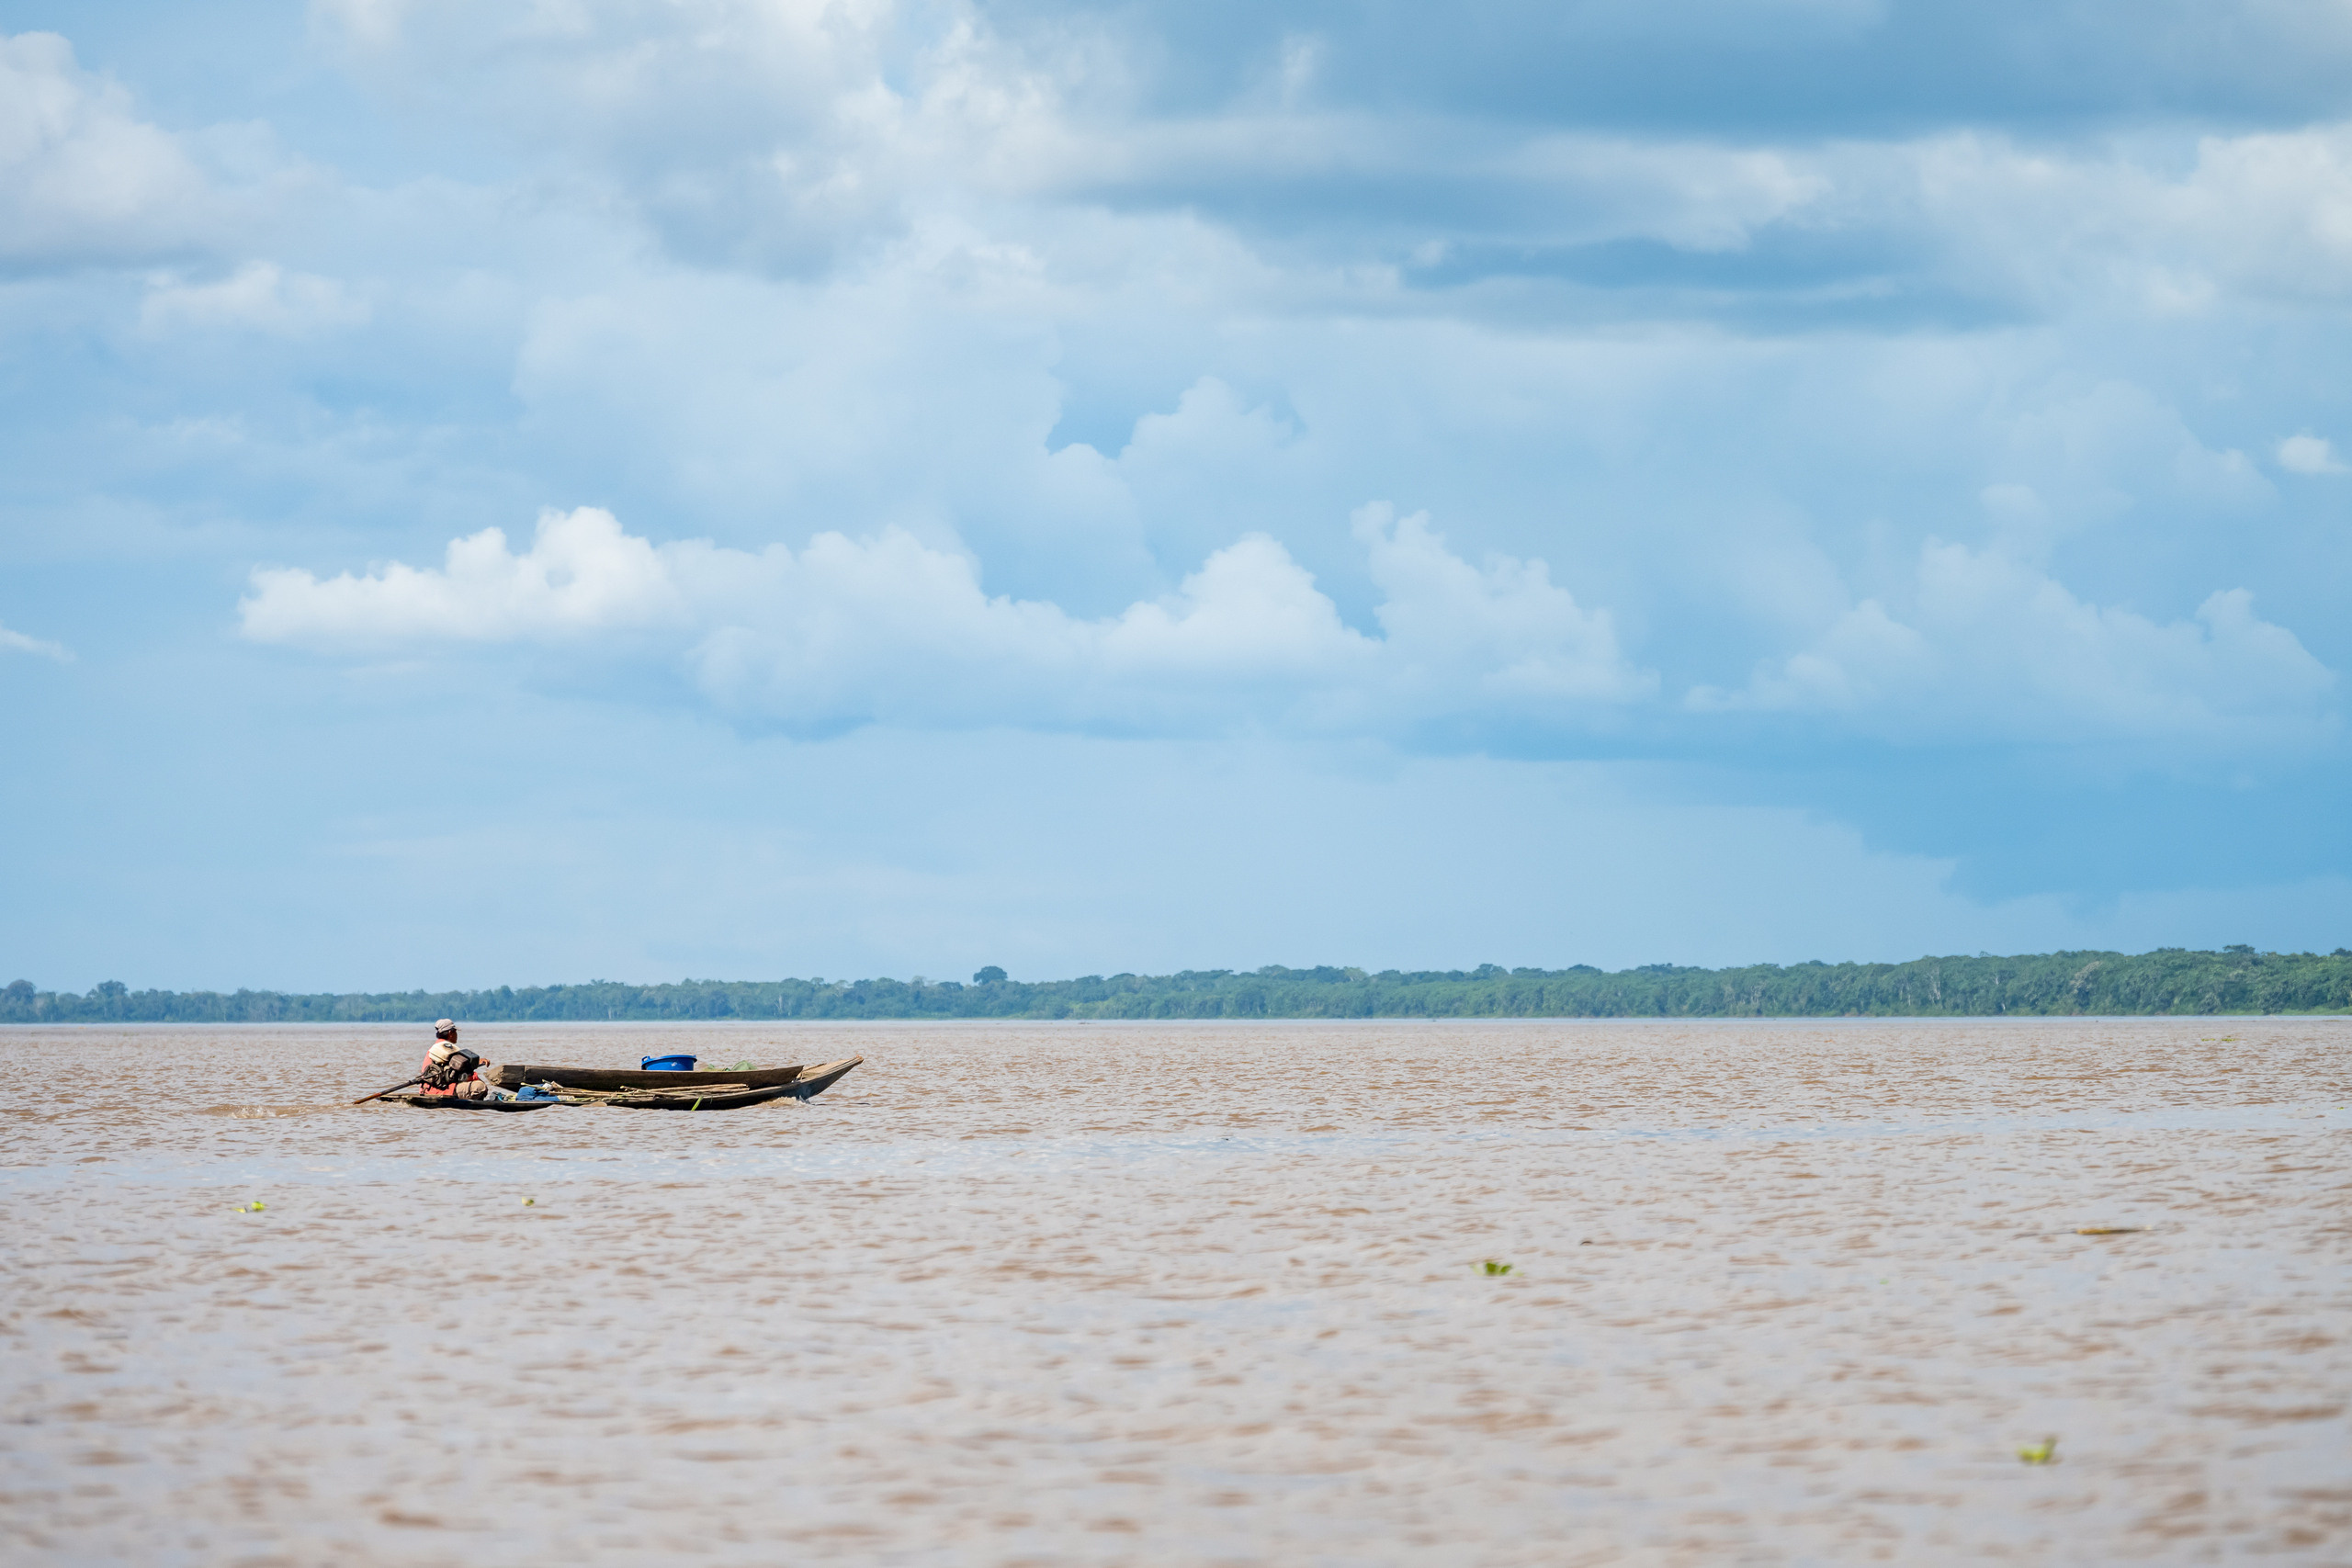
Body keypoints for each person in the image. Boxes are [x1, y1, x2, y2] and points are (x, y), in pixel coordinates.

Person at [413, 1019, 494, 1100]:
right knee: (481, 1087)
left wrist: (475, 1065)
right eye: (455, 1031)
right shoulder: (448, 1050)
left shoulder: (434, 1049)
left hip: (426, 1089)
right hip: (443, 1091)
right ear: (450, 1033)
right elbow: (465, 1075)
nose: (456, 1034)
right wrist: (475, 1075)